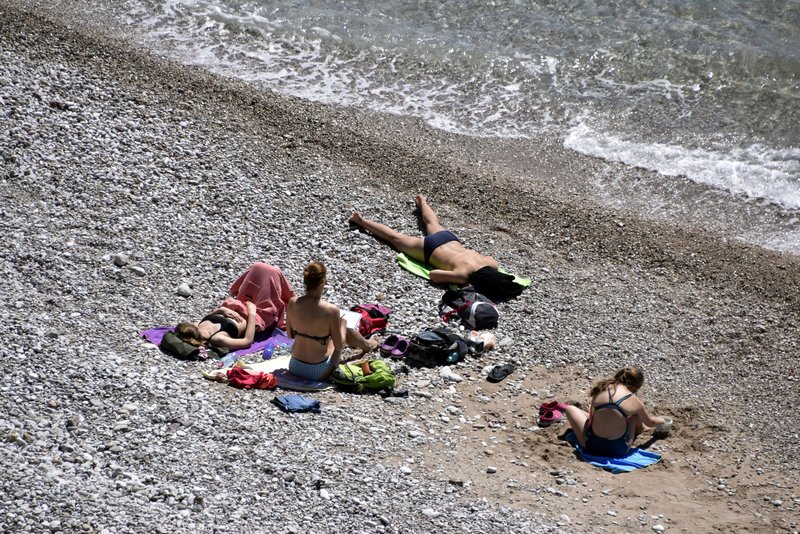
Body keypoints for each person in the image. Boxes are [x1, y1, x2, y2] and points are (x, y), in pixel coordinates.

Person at [349, 194, 524, 302]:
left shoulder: (489, 264)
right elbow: (433, 275)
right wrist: (458, 281)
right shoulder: (462, 275)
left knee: (432, 223)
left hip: (449, 239)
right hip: (429, 249)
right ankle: (361, 221)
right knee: (395, 238)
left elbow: (493, 261)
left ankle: (422, 202)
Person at [285, 261, 379, 380]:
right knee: (346, 328)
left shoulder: (293, 302)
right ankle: (368, 345)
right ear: (323, 281)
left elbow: (290, 335)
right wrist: (342, 325)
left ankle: (366, 344)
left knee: (323, 335)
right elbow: (339, 345)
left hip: (294, 366)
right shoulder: (331, 310)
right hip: (318, 372)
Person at [175, 262, 295, 351]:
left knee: (258, 267)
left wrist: (220, 310)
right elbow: (247, 342)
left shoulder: (197, 327)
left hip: (240, 303)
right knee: (273, 273)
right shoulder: (218, 339)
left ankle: (293, 301)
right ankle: (294, 302)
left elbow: (207, 317)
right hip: (257, 314)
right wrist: (252, 313)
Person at [559, 367, 668, 458]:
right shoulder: (634, 400)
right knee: (634, 415)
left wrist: (592, 413)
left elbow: (591, 422)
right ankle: (640, 429)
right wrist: (663, 421)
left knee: (570, 409)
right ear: (637, 386)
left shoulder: (600, 389)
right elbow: (651, 422)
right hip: (619, 450)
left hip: (592, 446)